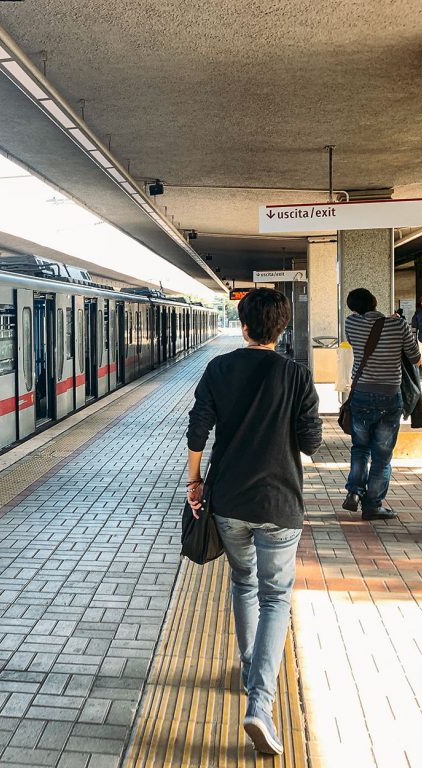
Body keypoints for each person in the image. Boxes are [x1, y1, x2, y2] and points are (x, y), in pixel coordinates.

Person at [185, 288, 321, 756]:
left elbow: (198, 427)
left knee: (243, 584)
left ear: (243, 325)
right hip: (280, 503)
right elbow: (311, 443)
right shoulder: (297, 375)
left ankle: (249, 670)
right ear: (281, 328)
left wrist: (195, 482)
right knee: (276, 596)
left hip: (229, 501)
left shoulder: (219, 368)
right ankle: (259, 703)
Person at [342, 288, 420, 520]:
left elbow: (361, 325)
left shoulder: (351, 324)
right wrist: (397, 325)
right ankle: (373, 505)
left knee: (360, 448)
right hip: (389, 396)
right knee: (382, 455)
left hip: (361, 394)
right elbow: (415, 358)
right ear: (376, 302)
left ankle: (354, 492)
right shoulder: (398, 326)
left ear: (353, 308)